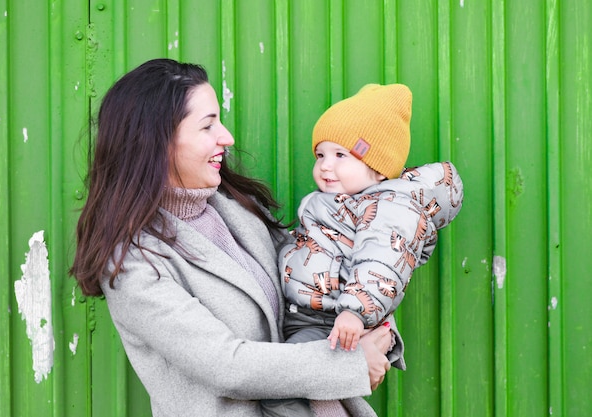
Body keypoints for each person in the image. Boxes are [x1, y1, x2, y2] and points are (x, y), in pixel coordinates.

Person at [70, 58, 398, 417]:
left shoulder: (240, 208)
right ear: (157, 141)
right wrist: (351, 366)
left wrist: (374, 330)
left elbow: (321, 274)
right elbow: (226, 365)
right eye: (208, 126)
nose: (226, 138)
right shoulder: (133, 264)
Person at [279, 83, 463, 354]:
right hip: (308, 316)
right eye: (320, 155)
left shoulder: (389, 210)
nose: (325, 165)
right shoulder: (340, 202)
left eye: (340, 155)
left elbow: (382, 262)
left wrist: (354, 312)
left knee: (284, 385)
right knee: (304, 388)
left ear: (378, 169)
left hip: (335, 322)